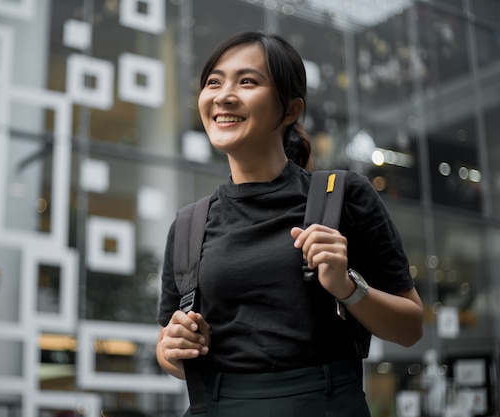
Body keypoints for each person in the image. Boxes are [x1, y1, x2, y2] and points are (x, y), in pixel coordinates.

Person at [156, 30, 424, 417]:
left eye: (247, 81)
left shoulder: (342, 195)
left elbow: (410, 327)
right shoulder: (189, 223)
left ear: (290, 110)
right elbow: (169, 350)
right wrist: (172, 348)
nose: (223, 95)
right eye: (214, 82)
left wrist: (347, 288)